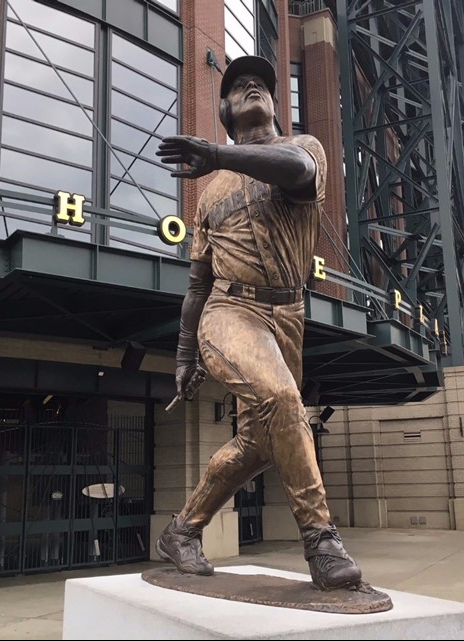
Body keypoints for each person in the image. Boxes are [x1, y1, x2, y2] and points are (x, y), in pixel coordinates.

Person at [152, 55, 362, 591]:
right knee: (284, 400)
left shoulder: (302, 148)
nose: (251, 87)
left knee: (261, 443)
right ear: (224, 109)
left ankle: (182, 530)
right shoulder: (209, 191)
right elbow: (198, 283)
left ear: (274, 103)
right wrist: (184, 354)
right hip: (230, 309)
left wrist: (220, 153)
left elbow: (298, 174)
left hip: (288, 314)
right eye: (238, 86)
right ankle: (320, 539)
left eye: (261, 85)